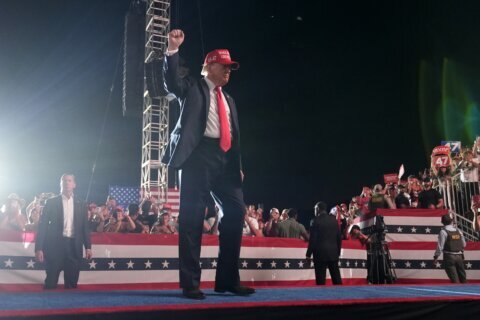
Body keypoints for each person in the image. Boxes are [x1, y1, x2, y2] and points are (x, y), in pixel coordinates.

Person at [161, 29, 254, 299]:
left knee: (236, 212)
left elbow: (233, 134)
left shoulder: (230, 100)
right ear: (209, 67)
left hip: (225, 160)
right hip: (197, 156)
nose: (228, 71)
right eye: (224, 66)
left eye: (230, 67)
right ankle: (190, 283)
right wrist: (173, 49)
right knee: (192, 219)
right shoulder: (191, 87)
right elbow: (171, 82)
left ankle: (227, 280)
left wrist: (235, 163)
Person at [35, 174, 92, 289]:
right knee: (50, 283)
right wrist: (38, 248)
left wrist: (88, 247)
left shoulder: (81, 204)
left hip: (74, 247)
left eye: (69, 180)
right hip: (55, 246)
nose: (67, 183)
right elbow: (43, 226)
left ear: (74, 184)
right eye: (64, 180)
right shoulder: (51, 202)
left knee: (71, 285)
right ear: (60, 183)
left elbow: (85, 227)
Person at [306, 202, 342, 285]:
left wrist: (308, 254)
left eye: (314, 209)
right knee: (337, 279)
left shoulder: (314, 221)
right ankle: (341, 296)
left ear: (318, 209)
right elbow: (338, 238)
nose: (314, 211)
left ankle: (322, 297)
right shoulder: (334, 220)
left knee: (321, 281)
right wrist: (338, 252)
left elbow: (313, 240)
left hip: (320, 255)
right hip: (333, 253)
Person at [433, 214, 467, 283]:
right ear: (451, 221)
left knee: (455, 280)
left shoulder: (443, 232)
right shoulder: (458, 231)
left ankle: (458, 292)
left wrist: (435, 257)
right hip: (459, 257)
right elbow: (464, 244)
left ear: (442, 222)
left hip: (449, 257)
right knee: (463, 279)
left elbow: (440, 247)